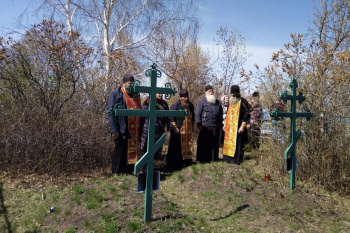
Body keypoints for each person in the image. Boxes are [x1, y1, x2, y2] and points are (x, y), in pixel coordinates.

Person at [107, 73, 142, 174]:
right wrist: (114, 130)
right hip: (122, 127)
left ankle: (129, 171)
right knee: (120, 151)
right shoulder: (116, 94)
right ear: (124, 83)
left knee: (130, 150)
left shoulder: (135, 94)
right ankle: (117, 173)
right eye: (129, 83)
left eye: (132, 83)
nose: (131, 85)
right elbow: (111, 112)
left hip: (134, 128)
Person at [166, 89, 195, 170]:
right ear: (180, 98)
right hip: (178, 131)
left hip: (188, 131)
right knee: (176, 148)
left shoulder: (190, 105)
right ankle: (175, 165)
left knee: (188, 146)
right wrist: (175, 127)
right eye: (184, 97)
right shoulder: (175, 105)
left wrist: (193, 127)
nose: (186, 99)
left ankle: (187, 162)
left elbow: (193, 117)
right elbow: (171, 118)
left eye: (187, 97)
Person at [195, 85, 223, 163]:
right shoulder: (201, 102)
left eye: (212, 91)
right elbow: (197, 114)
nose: (211, 92)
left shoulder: (217, 102)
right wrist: (199, 125)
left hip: (215, 125)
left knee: (214, 143)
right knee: (204, 144)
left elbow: (220, 114)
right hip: (205, 126)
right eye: (209, 91)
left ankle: (213, 158)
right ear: (206, 92)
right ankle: (203, 159)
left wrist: (220, 125)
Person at [223, 85, 250, 164]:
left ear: (238, 93)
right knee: (228, 143)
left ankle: (237, 160)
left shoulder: (244, 102)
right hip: (229, 127)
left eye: (234, 93)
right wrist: (225, 124)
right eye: (232, 93)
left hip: (238, 127)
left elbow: (246, 115)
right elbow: (228, 113)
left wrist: (242, 127)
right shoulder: (231, 101)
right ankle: (228, 159)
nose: (232, 95)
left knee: (238, 144)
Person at [140, 94, 169, 158]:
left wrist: (168, 126)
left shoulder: (164, 104)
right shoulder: (146, 105)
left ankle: (155, 161)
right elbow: (142, 120)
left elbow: (167, 116)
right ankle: (144, 164)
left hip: (160, 128)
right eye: (159, 93)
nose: (160, 95)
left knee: (157, 146)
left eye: (161, 93)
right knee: (145, 147)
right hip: (147, 130)